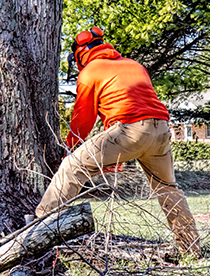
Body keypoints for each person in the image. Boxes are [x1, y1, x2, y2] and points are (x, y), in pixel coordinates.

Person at [36, 27, 201, 256]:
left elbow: (83, 119)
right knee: (168, 189)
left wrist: (69, 149)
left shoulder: (91, 71)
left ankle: (35, 230)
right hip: (161, 129)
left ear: (80, 54)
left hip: (129, 130)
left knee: (71, 167)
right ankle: (190, 247)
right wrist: (114, 155)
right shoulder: (135, 65)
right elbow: (127, 106)